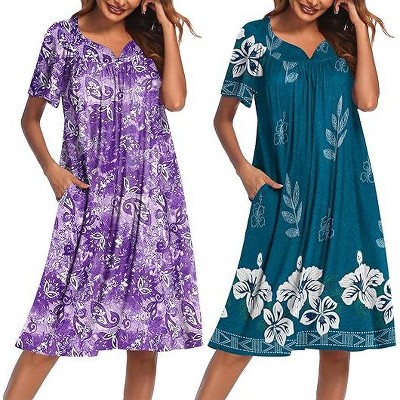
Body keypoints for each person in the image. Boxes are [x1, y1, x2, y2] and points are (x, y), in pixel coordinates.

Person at [196, 0, 395, 399]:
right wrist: (244, 169)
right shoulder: (256, 37)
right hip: (282, 201)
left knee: (337, 337)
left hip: (343, 200)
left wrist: (359, 25)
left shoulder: (343, 38)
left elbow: (368, 101)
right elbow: (223, 118)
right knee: (246, 322)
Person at [3, 1, 202, 399]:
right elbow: (30, 118)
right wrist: (51, 169)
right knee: (53, 322)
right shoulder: (63, 38)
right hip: (90, 202)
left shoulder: (149, 39)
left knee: (145, 333)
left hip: (150, 203)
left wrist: (165, 25)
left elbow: (176, 101)